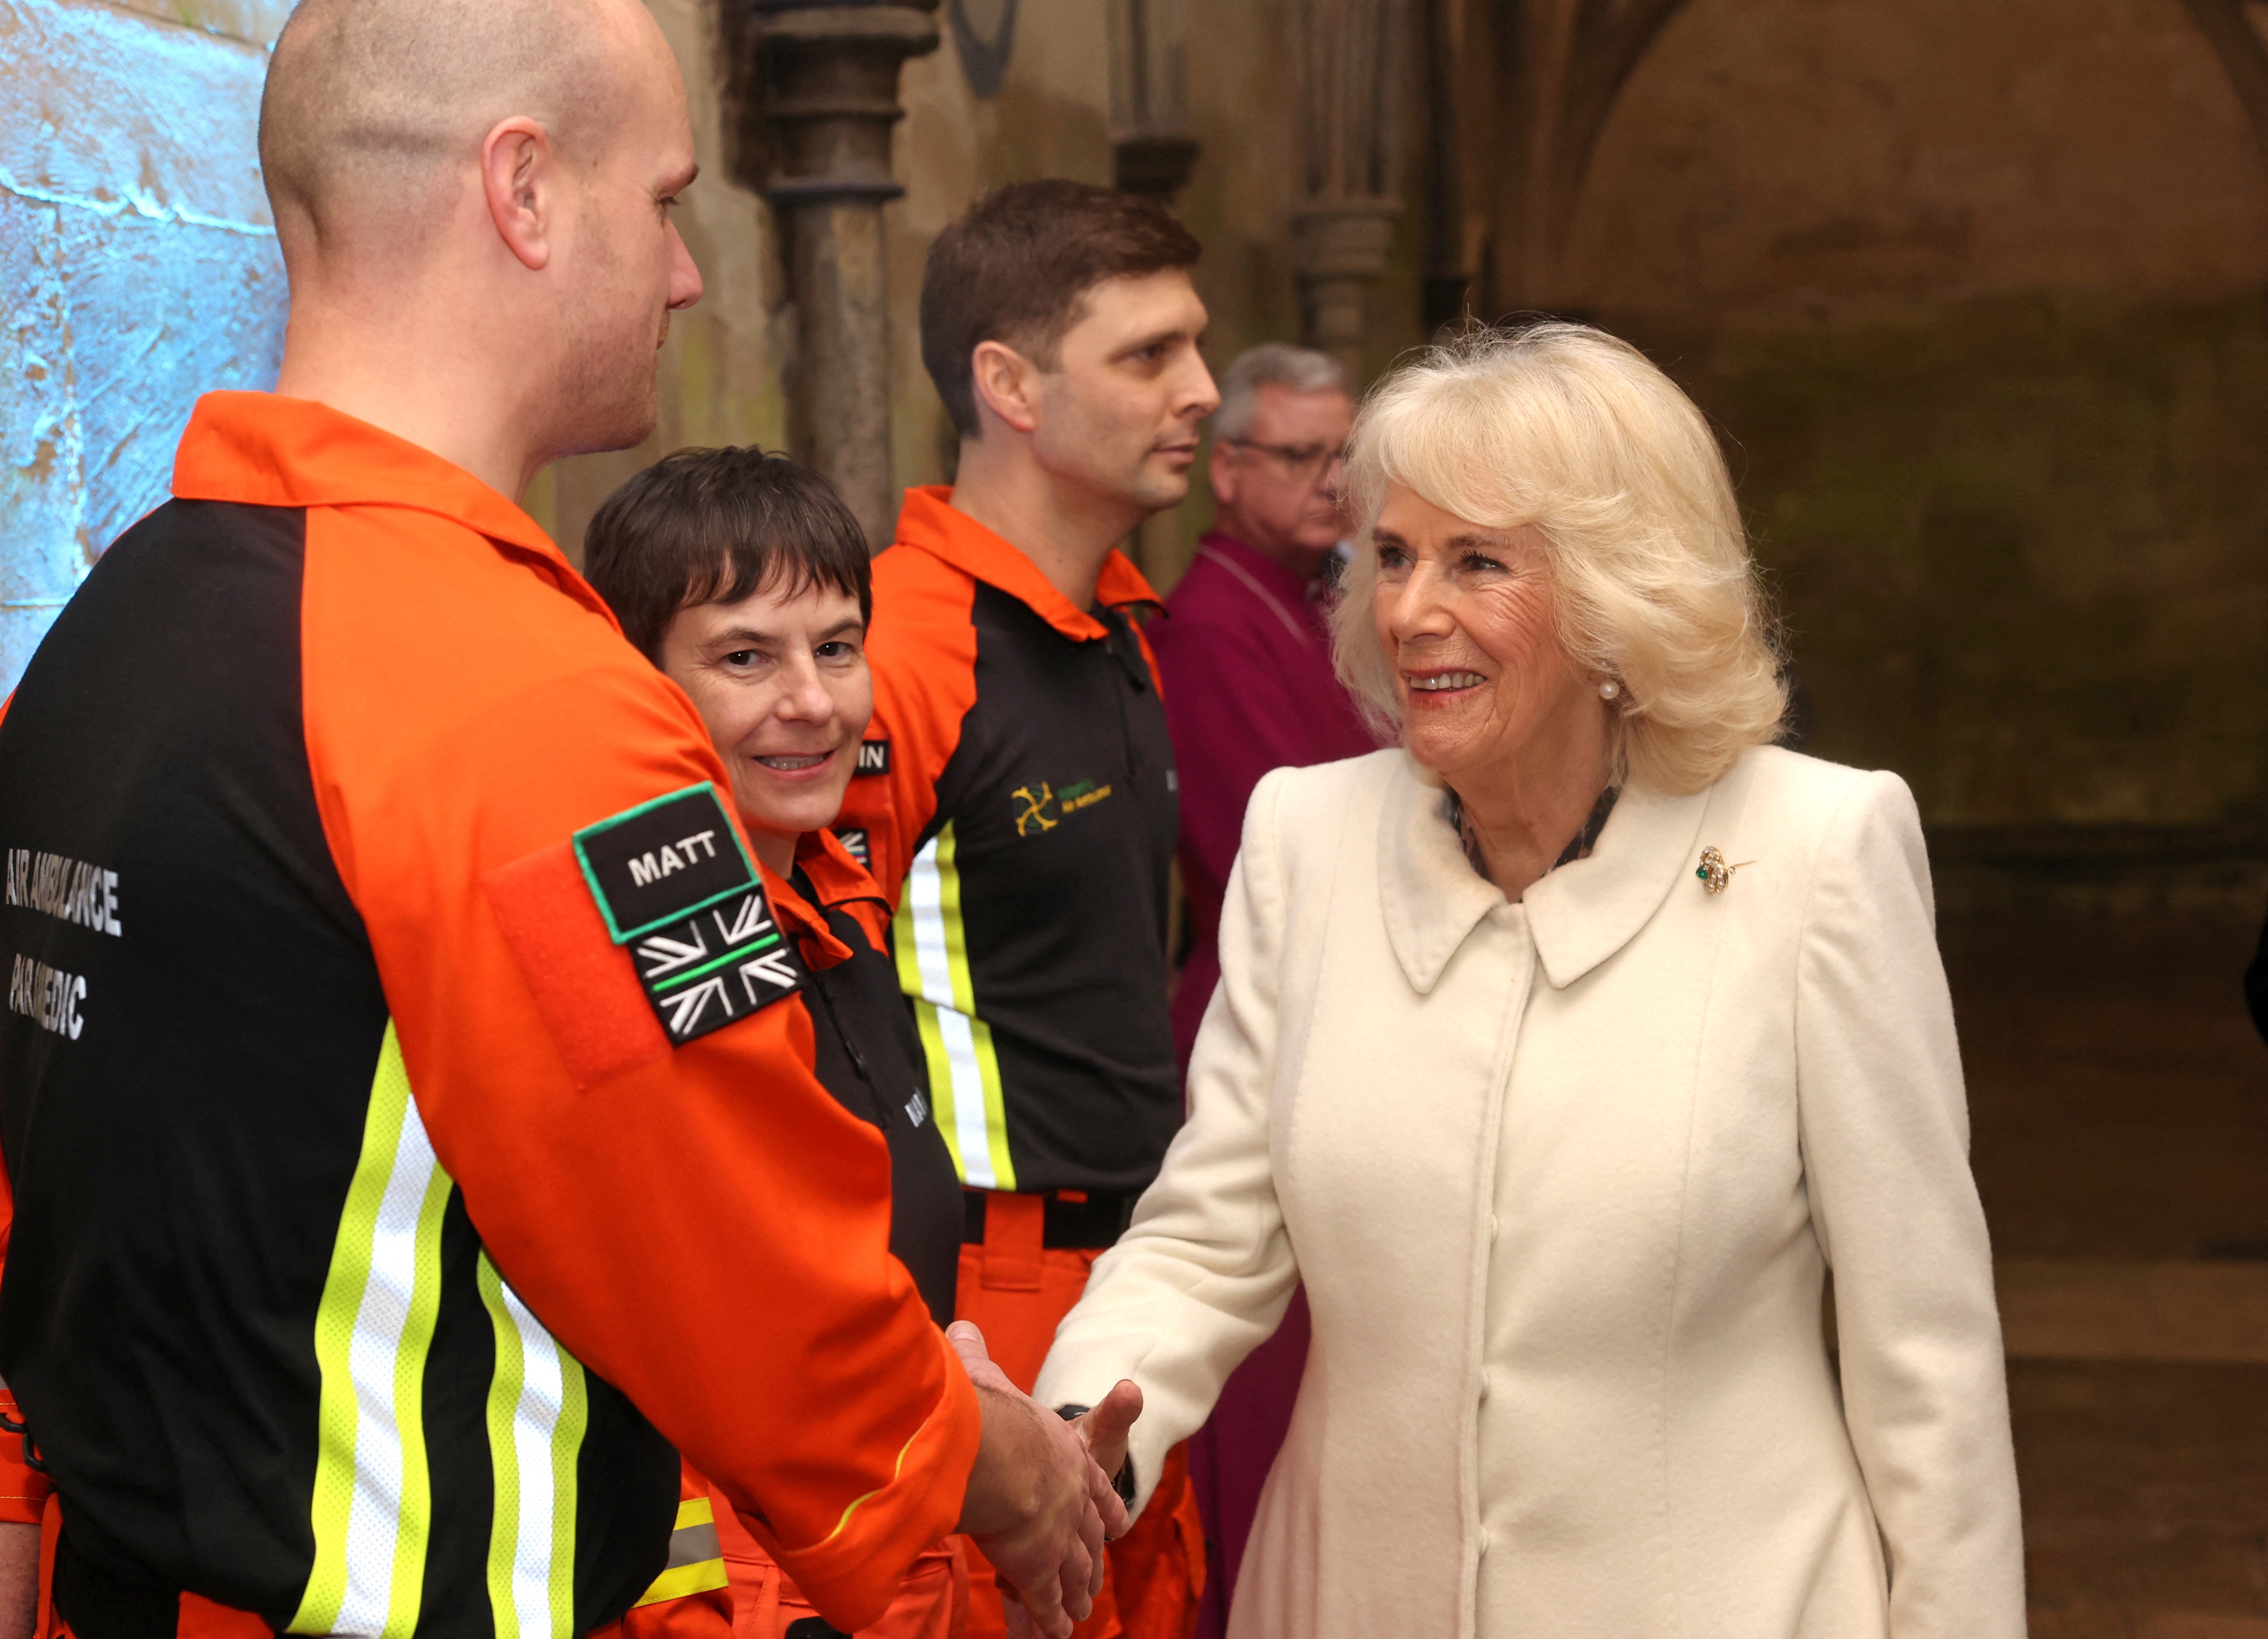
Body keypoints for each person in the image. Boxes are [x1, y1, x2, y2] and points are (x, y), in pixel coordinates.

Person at [0, 6, 1126, 1638]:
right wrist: (997, 1471)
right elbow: (740, 1232)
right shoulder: (519, 696)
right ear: (522, 192)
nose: (683, 273)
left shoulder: (112, 624)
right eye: (665, 202)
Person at [1037, 322, 2027, 1638]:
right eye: (1389, 555)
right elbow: (1207, 1240)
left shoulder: (1818, 850)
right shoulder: (1306, 838)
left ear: (1623, 587)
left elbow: (1928, 1361)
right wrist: (1074, 1433)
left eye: (1478, 562)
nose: (1407, 610)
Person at [584, 447, 1128, 1639]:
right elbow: (732, 1302)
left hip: (893, 1525)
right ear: (637, 682)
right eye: (744, 656)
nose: (814, 702)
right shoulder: (669, 918)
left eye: (836, 646)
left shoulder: (846, 899)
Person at [832, 180, 1215, 1639]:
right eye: (1148, 355)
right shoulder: (905, 646)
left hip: (1136, 1264)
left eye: (1194, 348)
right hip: (995, 1280)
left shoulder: (1118, 620)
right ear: (1010, 385)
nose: (1202, 391)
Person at [1146, 345, 1381, 1637]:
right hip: (1272, 1026)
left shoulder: (1321, 594)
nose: (1334, 480)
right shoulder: (1214, 622)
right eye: (1300, 454)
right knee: (1269, 1383)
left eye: (1348, 451)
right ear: (1226, 471)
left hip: (1357, 1014)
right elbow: (1264, 861)